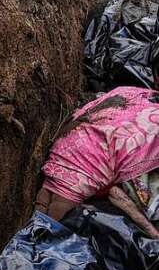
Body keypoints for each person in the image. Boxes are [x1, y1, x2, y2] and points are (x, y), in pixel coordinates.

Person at [35, 86, 159, 237]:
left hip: (67, 143)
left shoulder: (134, 92)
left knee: (48, 196)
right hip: (90, 166)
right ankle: (36, 238)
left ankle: (34, 229)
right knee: (49, 224)